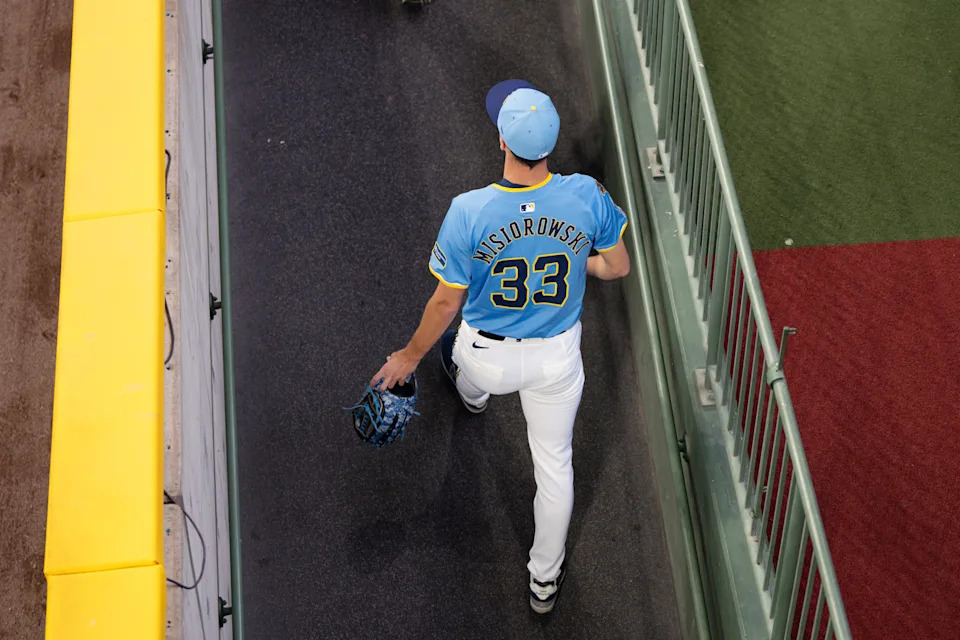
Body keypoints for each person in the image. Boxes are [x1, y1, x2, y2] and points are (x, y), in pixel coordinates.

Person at [371, 79, 631, 613]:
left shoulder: (469, 210)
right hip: (556, 361)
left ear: (501, 142)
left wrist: (407, 356)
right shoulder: (586, 194)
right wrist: (574, 255)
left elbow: (446, 303)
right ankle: (543, 582)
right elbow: (617, 266)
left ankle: (471, 398)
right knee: (555, 467)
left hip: (487, 358)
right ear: (550, 144)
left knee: (455, 351)